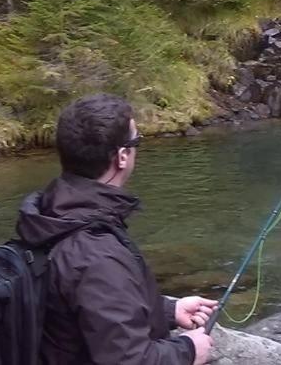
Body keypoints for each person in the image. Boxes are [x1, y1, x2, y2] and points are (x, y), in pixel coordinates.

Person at [14, 94, 216, 365]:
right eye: (137, 142)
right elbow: (127, 360)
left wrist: (168, 311)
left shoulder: (50, 213)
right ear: (122, 156)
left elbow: (81, 307)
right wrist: (188, 351)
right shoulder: (95, 253)